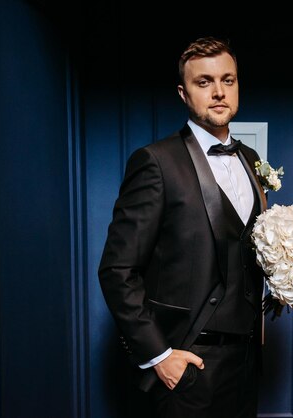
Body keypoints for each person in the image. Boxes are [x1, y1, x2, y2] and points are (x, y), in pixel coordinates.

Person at [98, 36, 267, 417]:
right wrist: (160, 357)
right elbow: (117, 270)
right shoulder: (156, 161)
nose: (219, 92)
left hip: (246, 366)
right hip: (189, 364)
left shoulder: (253, 160)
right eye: (204, 82)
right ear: (183, 92)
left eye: (228, 80)